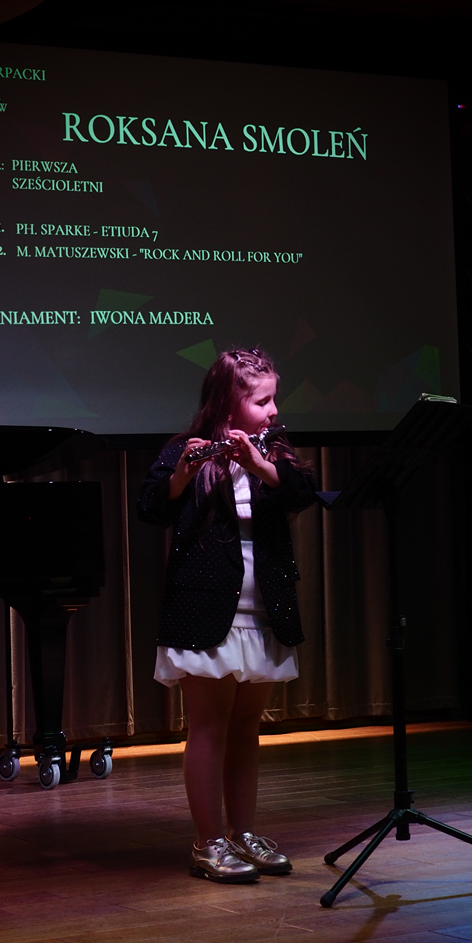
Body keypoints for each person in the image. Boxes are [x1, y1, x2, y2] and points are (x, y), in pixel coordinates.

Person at [137, 348, 317, 884]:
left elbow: (302, 494)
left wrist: (260, 466)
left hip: (263, 606)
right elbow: (152, 507)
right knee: (210, 727)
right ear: (229, 402)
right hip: (204, 605)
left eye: (274, 399)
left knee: (245, 728)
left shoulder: (274, 451)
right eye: (263, 401)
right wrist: (183, 475)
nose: (273, 410)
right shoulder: (185, 450)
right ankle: (208, 842)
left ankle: (244, 833)